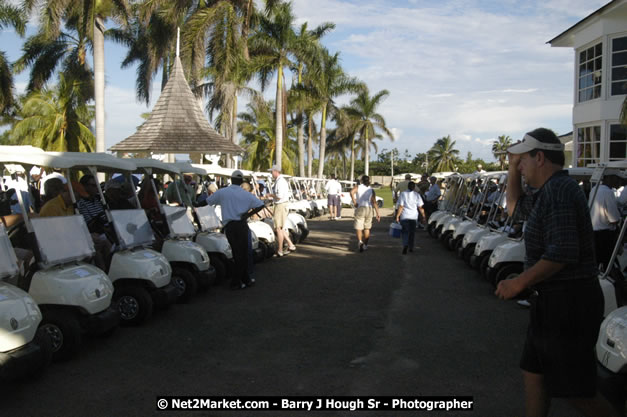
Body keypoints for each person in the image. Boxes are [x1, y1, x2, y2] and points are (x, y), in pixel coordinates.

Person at [495, 128, 618, 417]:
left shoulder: (561, 191)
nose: (520, 166)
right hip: (550, 301)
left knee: (576, 393)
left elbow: (562, 252)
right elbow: (514, 209)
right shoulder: (546, 191)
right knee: (534, 374)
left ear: (540, 158)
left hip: (569, 303)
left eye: (522, 160)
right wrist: (513, 168)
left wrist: (519, 283)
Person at [205, 170, 264, 290]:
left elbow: (206, 201)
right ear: (241, 181)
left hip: (230, 227)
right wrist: (247, 215)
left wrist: (194, 204)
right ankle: (238, 281)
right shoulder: (246, 194)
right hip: (241, 225)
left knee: (238, 254)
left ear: (231, 180)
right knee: (241, 254)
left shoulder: (223, 192)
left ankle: (242, 280)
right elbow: (261, 205)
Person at [589, 174, 621, 271]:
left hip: (594, 233)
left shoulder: (594, 189)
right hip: (605, 235)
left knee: (597, 263)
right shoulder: (608, 192)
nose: (618, 182)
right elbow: (614, 218)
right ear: (610, 178)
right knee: (609, 265)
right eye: (617, 179)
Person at [268, 164, 296, 257]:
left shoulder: (280, 182)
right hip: (281, 205)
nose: (271, 173)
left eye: (272, 171)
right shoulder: (280, 181)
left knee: (278, 228)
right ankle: (290, 245)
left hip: (280, 205)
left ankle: (280, 250)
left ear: (276, 171)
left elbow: (279, 196)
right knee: (280, 227)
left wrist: (271, 195)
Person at [350, 175, 381, 252]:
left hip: (360, 207)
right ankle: (365, 245)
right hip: (369, 208)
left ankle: (360, 241)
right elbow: (374, 202)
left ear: (362, 181)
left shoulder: (358, 187)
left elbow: (351, 192)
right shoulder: (371, 189)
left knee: (359, 227)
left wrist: (354, 201)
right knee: (367, 228)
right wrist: (377, 213)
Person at [395, 181, 426, 254]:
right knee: (412, 232)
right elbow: (420, 207)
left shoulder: (403, 194)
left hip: (405, 216)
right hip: (413, 216)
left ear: (408, 187)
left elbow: (401, 206)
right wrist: (423, 216)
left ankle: (405, 244)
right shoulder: (417, 195)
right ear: (414, 187)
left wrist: (397, 215)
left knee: (405, 232)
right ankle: (411, 247)